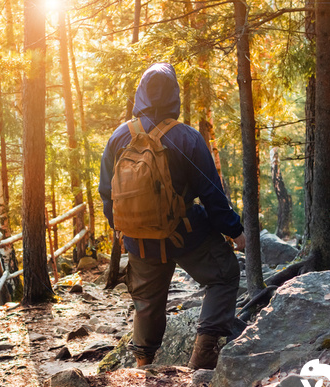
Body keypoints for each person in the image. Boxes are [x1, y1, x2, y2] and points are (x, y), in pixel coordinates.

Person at [98, 63, 246, 370]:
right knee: (226, 274)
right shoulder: (187, 138)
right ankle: (202, 355)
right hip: (185, 234)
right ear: (174, 96)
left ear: (140, 93)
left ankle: (143, 365)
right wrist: (235, 231)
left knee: (147, 303)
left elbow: (106, 191)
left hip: (139, 239)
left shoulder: (118, 137)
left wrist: (121, 228)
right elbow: (212, 195)